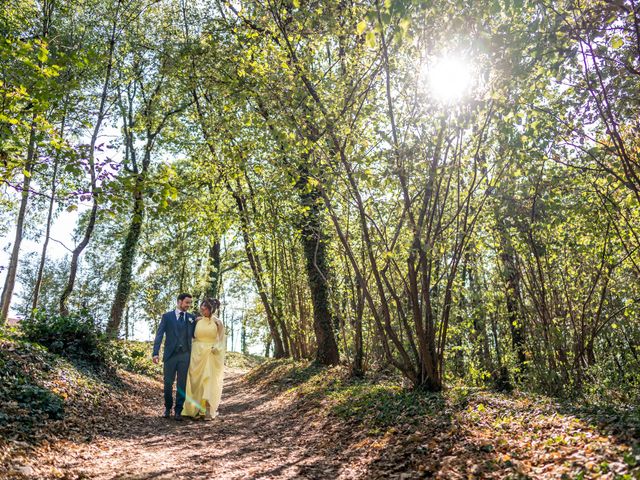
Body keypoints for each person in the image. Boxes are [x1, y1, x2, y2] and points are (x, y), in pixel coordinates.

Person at [152, 293, 197, 421]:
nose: (189, 305)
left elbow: (197, 333)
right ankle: (167, 408)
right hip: (170, 355)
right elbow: (159, 335)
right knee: (167, 383)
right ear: (179, 302)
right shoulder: (167, 317)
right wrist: (155, 353)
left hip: (185, 355)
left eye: (190, 303)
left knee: (182, 384)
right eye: (187, 302)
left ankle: (178, 411)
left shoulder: (191, 318)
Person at [182, 298, 226, 421]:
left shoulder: (218, 322)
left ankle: (206, 410)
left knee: (208, 380)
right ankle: (194, 409)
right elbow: (191, 336)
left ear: (211, 309)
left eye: (205, 308)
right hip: (196, 353)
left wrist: (215, 349)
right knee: (195, 381)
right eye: (201, 307)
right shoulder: (197, 320)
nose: (202, 310)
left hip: (210, 354)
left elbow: (221, 340)